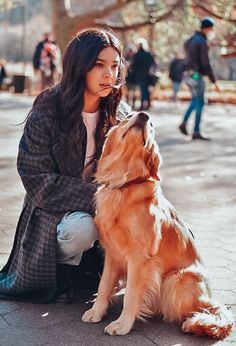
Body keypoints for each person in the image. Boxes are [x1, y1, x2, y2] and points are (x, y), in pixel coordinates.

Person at [0, 28, 130, 304]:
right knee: (82, 229)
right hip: (54, 212)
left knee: (166, 231)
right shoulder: (48, 110)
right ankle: (63, 272)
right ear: (79, 67)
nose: (110, 75)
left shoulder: (120, 114)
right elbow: (37, 179)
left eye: (115, 66)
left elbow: (139, 166)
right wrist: (102, 197)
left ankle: (94, 267)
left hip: (112, 206)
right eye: (99, 65)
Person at [179, 17, 221, 140]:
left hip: (187, 74)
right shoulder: (201, 42)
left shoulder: (190, 40)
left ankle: (184, 123)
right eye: (211, 29)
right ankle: (196, 131)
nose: (211, 31)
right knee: (201, 102)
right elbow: (206, 63)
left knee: (195, 100)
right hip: (196, 75)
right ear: (207, 28)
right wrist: (214, 81)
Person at [130, 38, 156, 110]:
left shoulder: (137, 54)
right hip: (148, 76)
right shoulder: (148, 54)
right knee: (146, 90)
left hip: (140, 76)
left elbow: (134, 65)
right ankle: (147, 104)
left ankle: (143, 105)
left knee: (143, 90)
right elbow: (153, 64)